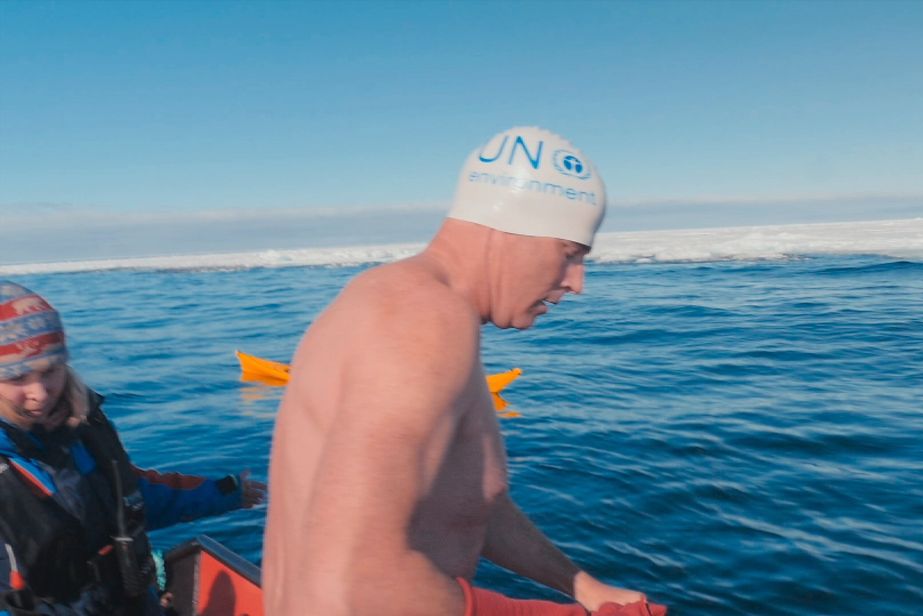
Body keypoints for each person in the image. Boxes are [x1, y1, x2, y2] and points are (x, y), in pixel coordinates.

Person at [264, 127, 667, 615]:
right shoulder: (422, 321)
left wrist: (581, 586)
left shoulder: (398, 303)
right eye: (569, 255)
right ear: (508, 230)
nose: (576, 283)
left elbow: (469, 503)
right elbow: (360, 583)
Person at [0, 281, 267, 615]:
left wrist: (224, 493)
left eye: (49, 371)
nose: (39, 392)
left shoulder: (83, 429)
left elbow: (131, 498)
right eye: (17, 377)